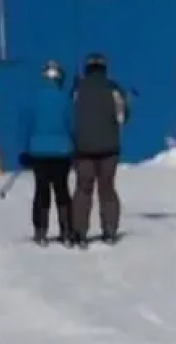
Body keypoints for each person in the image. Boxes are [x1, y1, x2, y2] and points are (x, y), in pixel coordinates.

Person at [68, 53, 130, 246]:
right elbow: (122, 117)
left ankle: (79, 232)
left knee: (83, 190)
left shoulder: (77, 89)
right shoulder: (114, 89)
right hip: (109, 149)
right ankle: (110, 230)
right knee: (107, 190)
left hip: (83, 149)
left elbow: (69, 116)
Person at [18, 60, 75, 245]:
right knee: (62, 191)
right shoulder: (65, 99)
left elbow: (27, 127)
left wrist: (25, 150)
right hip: (62, 151)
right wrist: (75, 146)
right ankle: (66, 230)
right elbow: (72, 126)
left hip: (38, 152)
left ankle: (41, 231)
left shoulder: (33, 99)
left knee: (41, 191)